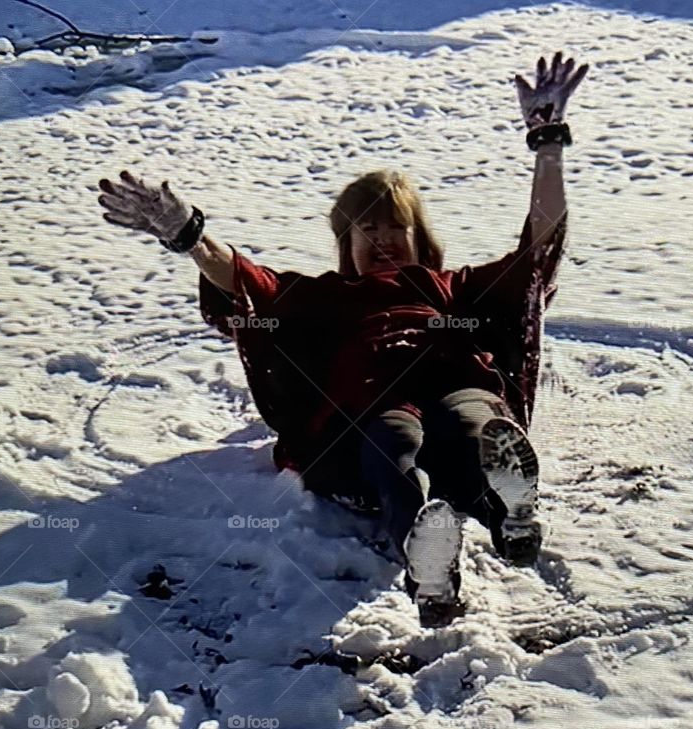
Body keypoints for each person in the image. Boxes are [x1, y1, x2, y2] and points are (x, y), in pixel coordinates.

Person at [96, 50, 587, 626]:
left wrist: (547, 146)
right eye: (367, 228)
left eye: (394, 226)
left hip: (456, 381)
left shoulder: (452, 286)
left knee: (476, 428)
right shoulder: (324, 295)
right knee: (393, 445)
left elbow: (537, 254)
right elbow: (246, 279)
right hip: (376, 401)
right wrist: (187, 234)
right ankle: (427, 560)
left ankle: (508, 513)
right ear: (345, 242)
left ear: (419, 235)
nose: (381, 238)